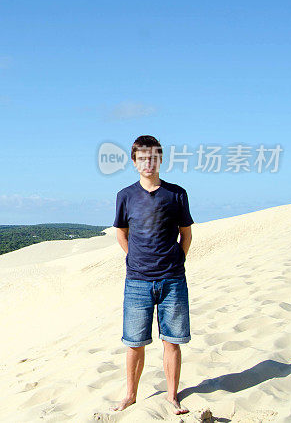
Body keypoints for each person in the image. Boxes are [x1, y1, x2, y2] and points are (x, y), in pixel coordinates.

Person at [111, 135, 194, 415]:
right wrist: (130, 256)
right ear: (134, 162)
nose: (148, 163)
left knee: (172, 341)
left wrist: (179, 258)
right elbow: (121, 231)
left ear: (160, 160)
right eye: (142, 158)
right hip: (137, 280)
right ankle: (131, 396)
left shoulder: (177, 194)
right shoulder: (125, 195)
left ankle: (172, 396)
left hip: (172, 279)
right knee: (134, 342)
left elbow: (186, 233)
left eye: (153, 157)